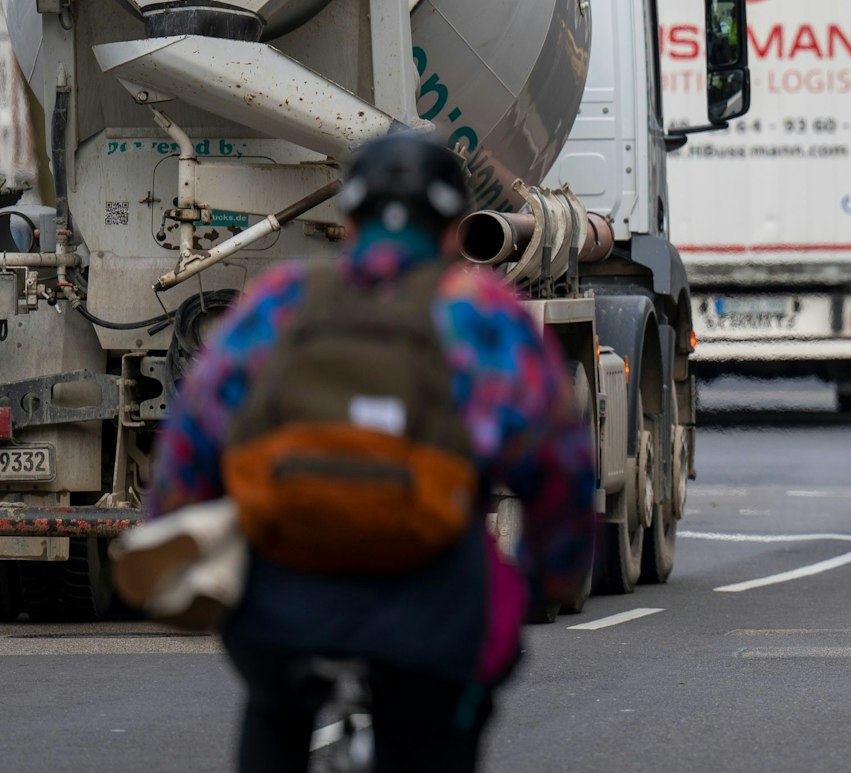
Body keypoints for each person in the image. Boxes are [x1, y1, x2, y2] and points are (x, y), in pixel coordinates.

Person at [146, 131, 597, 773]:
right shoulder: (481, 318)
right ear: (453, 231)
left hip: (283, 612)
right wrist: (546, 578)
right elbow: (560, 471)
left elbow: (192, 438)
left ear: (349, 221)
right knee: (440, 718)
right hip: (429, 615)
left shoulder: (280, 302)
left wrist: (171, 536)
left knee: (274, 708)